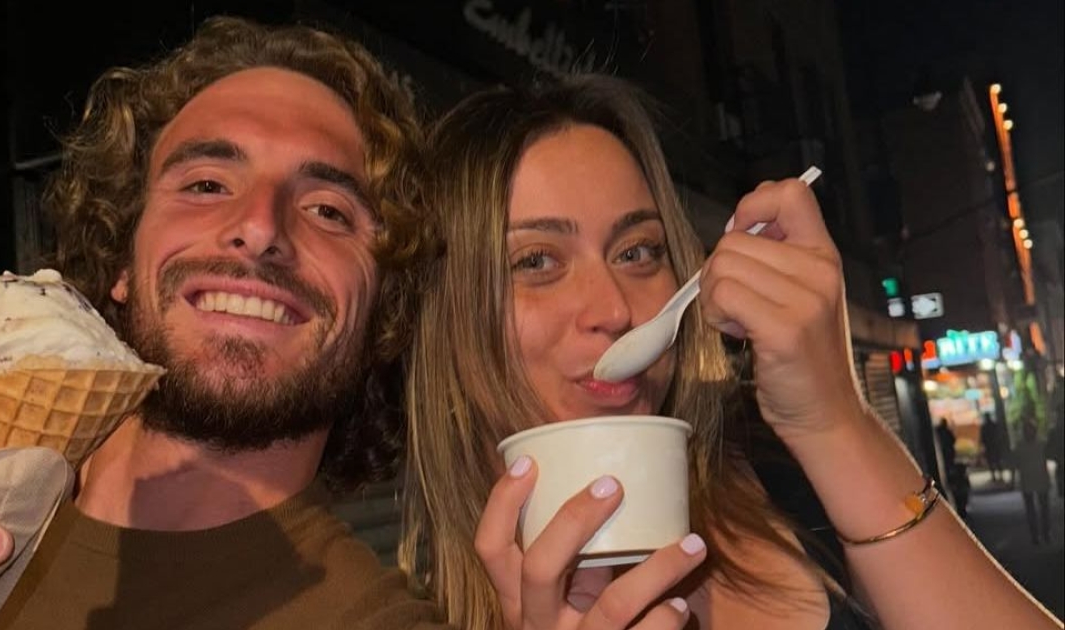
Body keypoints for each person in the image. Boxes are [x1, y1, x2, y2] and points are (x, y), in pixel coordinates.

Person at [399, 75, 1063, 629]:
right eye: (535, 261)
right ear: (446, 317)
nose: (614, 309)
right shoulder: (406, 613)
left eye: (638, 251)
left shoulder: (778, 477)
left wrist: (834, 422)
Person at [0, 17, 448, 630]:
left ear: (384, 310)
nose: (260, 228)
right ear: (122, 259)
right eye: (207, 184)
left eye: (328, 210)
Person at [1012, 419, 1053, 545]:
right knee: (1035, 509)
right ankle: (1038, 534)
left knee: (1041, 509)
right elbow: (1015, 464)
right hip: (1032, 481)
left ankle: (1043, 533)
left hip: (1038, 480)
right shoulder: (1037, 444)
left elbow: (1015, 464)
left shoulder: (1039, 444)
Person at [980, 412, 1008, 483]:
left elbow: (982, 438)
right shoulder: (993, 425)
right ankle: (999, 476)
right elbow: (998, 435)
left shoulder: (985, 427)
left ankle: (994, 476)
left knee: (992, 462)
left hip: (990, 446)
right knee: (996, 461)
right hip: (994, 445)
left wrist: (983, 444)